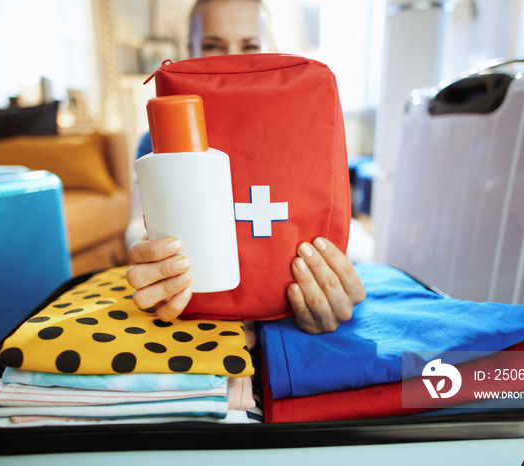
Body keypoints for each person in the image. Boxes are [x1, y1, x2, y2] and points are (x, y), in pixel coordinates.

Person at [125, 0, 366, 334]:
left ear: (268, 50)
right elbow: (137, 227)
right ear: (187, 49)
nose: (231, 59)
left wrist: (336, 273)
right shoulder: (154, 137)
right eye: (212, 45)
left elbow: (328, 218)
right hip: (193, 316)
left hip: (290, 312)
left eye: (249, 46)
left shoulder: (302, 124)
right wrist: (148, 254)